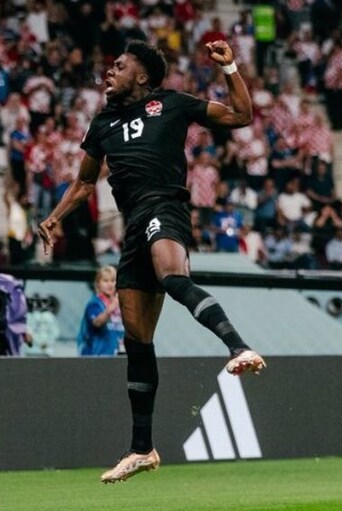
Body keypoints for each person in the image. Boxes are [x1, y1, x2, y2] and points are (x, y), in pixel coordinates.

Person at [37, 40, 266, 485]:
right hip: (132, 225)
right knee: (137, 342)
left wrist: (231, 67)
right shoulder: (102, 123)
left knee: (173, 277)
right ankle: (142, 448)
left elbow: (241, 115)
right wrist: (54, 218)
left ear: (141, 76)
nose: (109, 71)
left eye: (119, 66)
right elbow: (85, 183)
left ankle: (239, 347)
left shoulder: (173, 104)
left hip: (166, 206)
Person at [77, 266, 125, 356]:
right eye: (106, 281)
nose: (110, 284)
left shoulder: (120, 304)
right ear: (98, 283)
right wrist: (111, 308)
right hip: (96, 356)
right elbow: (97, 322)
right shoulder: (95, 304)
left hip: (116, 355)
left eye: (113, 281)